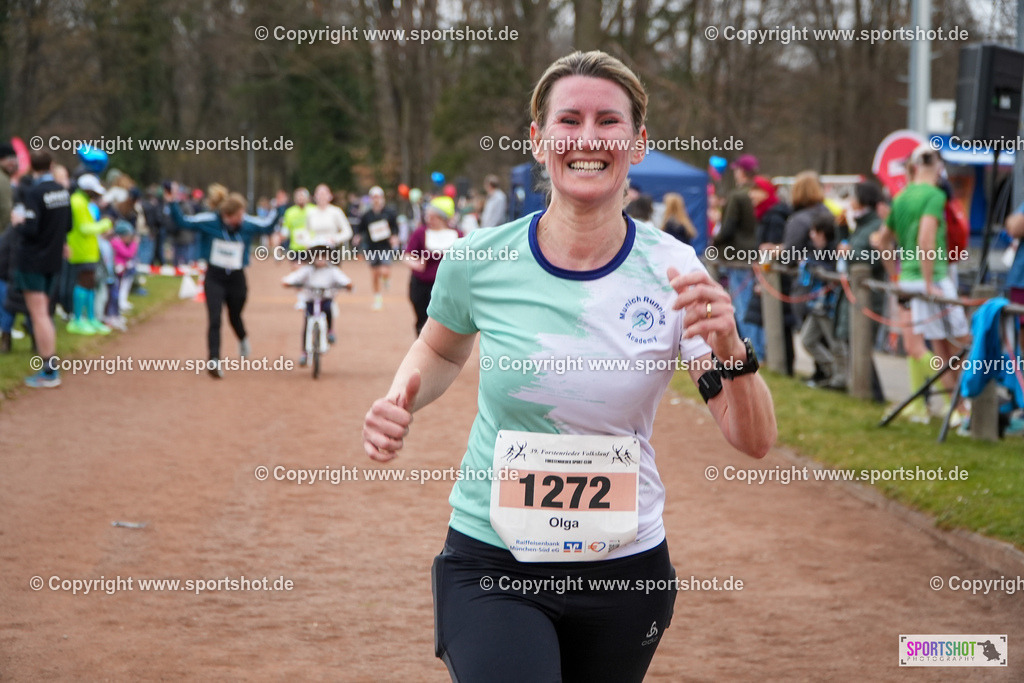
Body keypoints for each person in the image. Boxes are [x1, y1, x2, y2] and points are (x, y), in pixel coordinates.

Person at [362, 50, 776, 683]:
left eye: (609, 122)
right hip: (493, 559)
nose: (588, 139)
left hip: (624, 566)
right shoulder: (479, 259)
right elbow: (440, 348)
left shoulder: (677, 272)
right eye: (570, 119)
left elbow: (752, 441)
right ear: (539, 139)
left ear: (638, 143)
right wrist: (400, 398)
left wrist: (731, 349)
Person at [873, 145, 971, 421]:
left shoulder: (901, 197)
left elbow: (883, 240)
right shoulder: (935, 195)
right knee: (960, 343)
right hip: (934, 279)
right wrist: (929, 282)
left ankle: (955, 409)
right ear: (938, 167)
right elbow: (926, 238)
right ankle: (963, 407)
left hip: (909, 280)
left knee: (937, 346)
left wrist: (895, 274)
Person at [166, 183, 279, 378]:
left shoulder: (247, 224)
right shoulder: (209, 221)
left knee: (235, 316)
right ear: (228, 215)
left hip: (236, 278)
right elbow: (184, 222)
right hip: (214, 277)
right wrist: (173, 201)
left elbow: (267, 226)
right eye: (239, 215)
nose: (241, 218)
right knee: (215, 318)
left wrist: (279, 208)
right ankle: (214, 360)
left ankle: (242, 338)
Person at [12, 152, 72, 387]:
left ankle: (49, 369)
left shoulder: (35, 193)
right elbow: (68, 225)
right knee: (45, 312)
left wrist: (18, 223)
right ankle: (49, 367)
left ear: (31, 168)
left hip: (33, 260)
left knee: (39, 315)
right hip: (53, 259)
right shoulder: (62, 191)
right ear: (52, 165)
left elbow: (31, 229)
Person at [713, 154, 760, 352]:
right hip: (755, 253)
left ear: (742, 171)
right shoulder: (758, 193)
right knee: (754, 306)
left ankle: (751, 349)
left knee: (742, 308)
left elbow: (729, 226)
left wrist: (715, 241)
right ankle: (758, 348)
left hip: (737, 255)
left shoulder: (737, 195)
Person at [281, 246, 352, 365]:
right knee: (306, 323)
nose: (320, 259)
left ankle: (330, 331)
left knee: (329, 309)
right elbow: (295, 277)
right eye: (317, 256)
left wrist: (348, 284)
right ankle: (304, 352)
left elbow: (344, 280)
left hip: (325, 299)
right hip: (311, 300)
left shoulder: (332, 270)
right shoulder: (308, 269)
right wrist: (287, 281)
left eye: (323, 256)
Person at [405, 196, 461, 335]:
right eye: (428, 216)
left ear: (443, 218)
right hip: (422, 285)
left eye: (433, 216)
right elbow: (407, 255)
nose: (429, 219)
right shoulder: (420, 233)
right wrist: (416, 264)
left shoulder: (457, 235)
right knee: (423, 322)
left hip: (447, 287)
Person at [65, 174, 113, 335]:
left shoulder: (83, 201)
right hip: (81, 249)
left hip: (88, 250)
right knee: (83, 283)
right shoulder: (77, 202)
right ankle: (78, 319)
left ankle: (91, 318)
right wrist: (105, 224)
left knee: (90, 284)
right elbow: (85, 228)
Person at [354, 186, 399, 310]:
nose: (376, 200)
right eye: (374, 197)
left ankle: (386, 279)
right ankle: (377, 297)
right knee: (374, 274)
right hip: (371, 247)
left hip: (385, 247)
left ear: (382, 198)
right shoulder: (367, 215)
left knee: (384, 271)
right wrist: (357, 237)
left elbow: (395, 227)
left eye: (378, 197)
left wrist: (394, 237)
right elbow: (360, 228)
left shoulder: (389, 213)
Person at [305, 184, 353, 249]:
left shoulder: (336, 211)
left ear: (330, 196)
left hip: (332, 248)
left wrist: (335, 239)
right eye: (319, 194)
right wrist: (308, 241)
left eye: (324, 194)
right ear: (315, 196)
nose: (321, 197)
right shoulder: (310, 212)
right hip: (315, 249)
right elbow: (306, 231)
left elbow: (348, 232)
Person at [279, 187, 311, 255]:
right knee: (297, 265)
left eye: (302, 196)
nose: (300, 198)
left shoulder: (313, 210)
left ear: (307, 198)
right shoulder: (289, 212)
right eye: (298, 196)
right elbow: (285, 230)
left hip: (311, 247)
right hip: (295, 248)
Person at [0, 143, 17, 234]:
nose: (14, 163)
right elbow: (6, 209)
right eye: (10, 158)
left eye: (14, 158)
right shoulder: (2, 179)